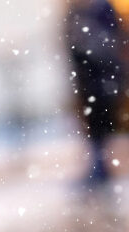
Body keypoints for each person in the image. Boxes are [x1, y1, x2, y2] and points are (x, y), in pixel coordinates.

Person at [66, 0, 126, 188]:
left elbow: (108, 43)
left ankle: (101, 169)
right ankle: (99, 167)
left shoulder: (100, 9)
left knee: (102, 123)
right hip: (88, 82)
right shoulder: (76, 11)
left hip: (102, 81)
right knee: (94, 126)